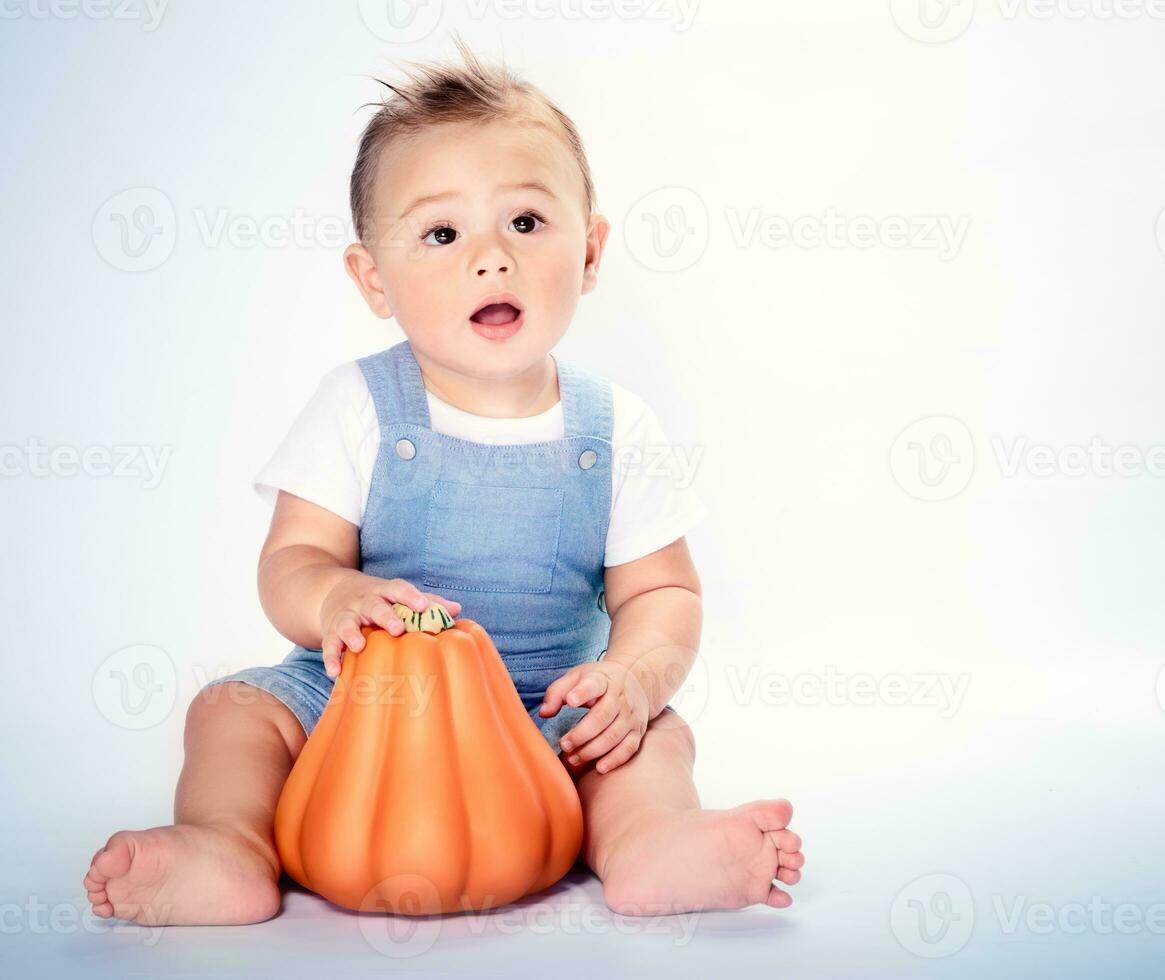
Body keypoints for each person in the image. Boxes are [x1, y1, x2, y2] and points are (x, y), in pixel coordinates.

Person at [82, 36, 803, 926]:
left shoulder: (617, 430)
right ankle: (228, 845)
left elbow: (663, 591)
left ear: (589, 253)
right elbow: (291, 563)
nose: (490, 258)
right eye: (441, 233)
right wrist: (336, 596)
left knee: (651, 743)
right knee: (229, 712)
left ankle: (650, 842)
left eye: (526, 223)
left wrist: (634, 676)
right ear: (372, 278)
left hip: (547, 714)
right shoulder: (357, 406)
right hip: (356, 704)